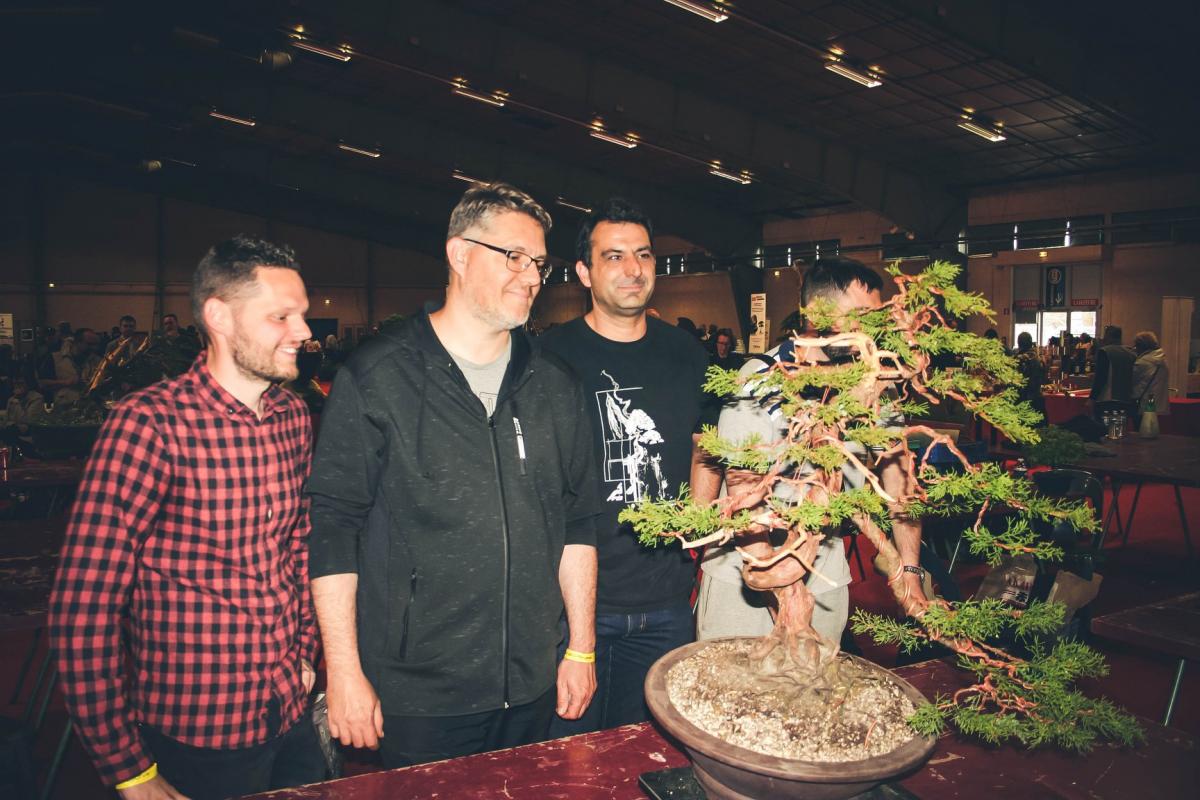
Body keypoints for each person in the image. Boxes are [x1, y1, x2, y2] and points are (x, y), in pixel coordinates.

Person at [306, 183, 601, 768]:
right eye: (513, 257)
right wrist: (343, 671)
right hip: (419, 696)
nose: (531, 276)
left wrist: (581, 649)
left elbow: (577, 523)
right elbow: (334, 529)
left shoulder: (555, 385)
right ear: (459, 254)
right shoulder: (379, 377)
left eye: (539, 263)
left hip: (534, 683)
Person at [49, 235, 324, 800]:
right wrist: (129, 770)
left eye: (300, 315)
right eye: (281, 316)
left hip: (289, 713)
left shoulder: (292, 415)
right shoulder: (149, 423)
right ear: (219, 317)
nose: (303, 331)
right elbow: (84, 606)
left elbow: (298, 546)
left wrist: (304, 652)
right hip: (199, 730)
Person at [540, 197, 713, 736]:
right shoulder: (549, 358)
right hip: (572, 606)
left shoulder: (687, 354)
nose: (633, 269)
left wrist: (699, 522)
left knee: (647, 749)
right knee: (568, 753)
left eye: (643, 254)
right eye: (613, 256)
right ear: (583, 272)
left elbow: (704, 444)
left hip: (666, 600)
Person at [695, 257, 928, 644]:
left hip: (825, 576)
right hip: (746, 584)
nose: (871, 332)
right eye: (860, 318)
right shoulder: (761, 380)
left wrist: (909, 569)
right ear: (815, 314)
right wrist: (787, 605)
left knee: (821, 679)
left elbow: (899, 478)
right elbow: (744, 503)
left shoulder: (875, 382)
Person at [1089, 325, 1137, 419]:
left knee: (1102, 426)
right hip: (1125, 399)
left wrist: (1092, 398)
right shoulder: (1131, 353)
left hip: (1107, 398)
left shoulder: (1105, 351)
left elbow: (1101, 377)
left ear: (1108, 336)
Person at [1131, 331, 1170, 416]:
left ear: (1141, 346)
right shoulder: (1163, 360)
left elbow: (1131, 380)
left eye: (1136, 345)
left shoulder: (1142, 362)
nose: (1135, 348)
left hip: (1146, 404)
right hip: (1161, 405)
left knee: (1145, 424)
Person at [1015, 331, 1047, 416]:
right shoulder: (1039, 357)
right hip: (1037, 399)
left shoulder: (1021, 359)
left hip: (1024, 400)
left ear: (1019, 344)